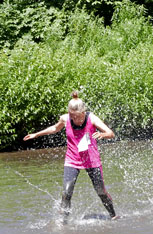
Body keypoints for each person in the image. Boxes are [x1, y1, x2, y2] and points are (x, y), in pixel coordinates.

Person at [23, 91, 118, 221]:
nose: (74, 120)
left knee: (100, 191)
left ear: (83, 113)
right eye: (72, 117)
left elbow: (111, 133)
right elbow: (54, 129)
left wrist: (103, 135)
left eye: (77, 117)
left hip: (91, 159)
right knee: (67, 192)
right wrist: (36, 134)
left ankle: (113, 215)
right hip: (72, 159)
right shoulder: (66, 118)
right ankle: (64, 223)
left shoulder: (92, 118)